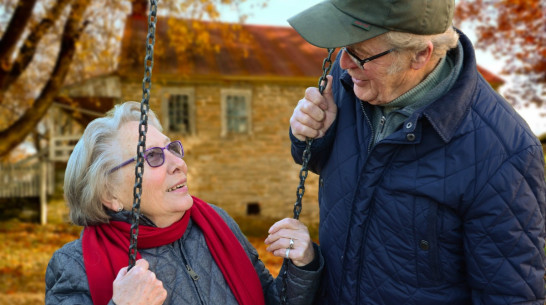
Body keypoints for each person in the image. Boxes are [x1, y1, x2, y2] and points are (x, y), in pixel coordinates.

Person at [287, 0, 546, 304]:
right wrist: (311, 136)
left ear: (421, 54)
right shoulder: (351, 81)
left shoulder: (503, 151)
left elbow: (510, 296)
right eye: (343, 47)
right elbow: (329, 166)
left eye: (360, 54)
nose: (344, 63)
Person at [45, 101, 323, 305]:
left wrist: (302, 265)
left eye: (172, 148)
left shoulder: (216, 223)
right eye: (153, 156)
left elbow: (271, 301)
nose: (178, 163)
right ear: (110, 195)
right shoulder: (74, 265)